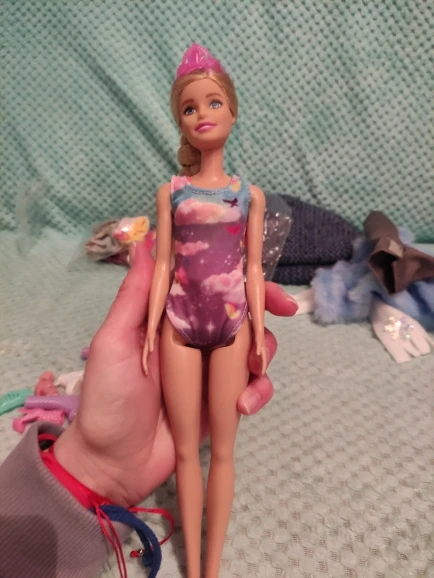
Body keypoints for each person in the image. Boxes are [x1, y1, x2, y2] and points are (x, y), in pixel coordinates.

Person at [0, 239, 298, 578]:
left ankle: (210, 569)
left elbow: (254, 267)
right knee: (188, 453)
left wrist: (257, 329)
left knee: (222, 452)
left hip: (231, 321)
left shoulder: (248, 208)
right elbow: (162, 267)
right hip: (179, 323)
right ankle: (197, 569)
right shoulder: (171, 206)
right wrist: (152, 322)